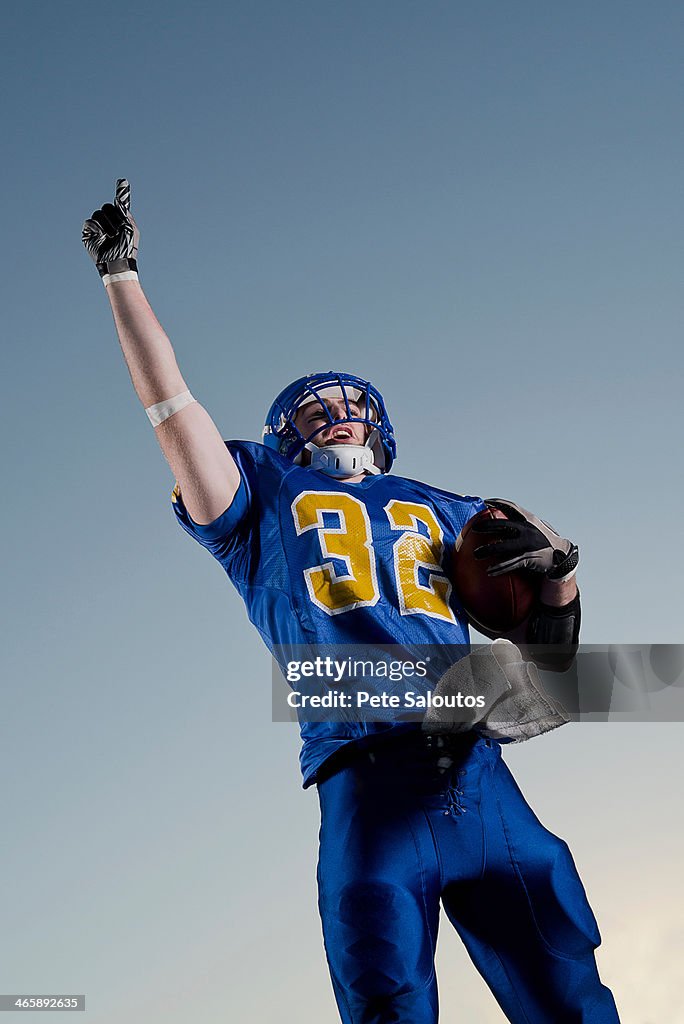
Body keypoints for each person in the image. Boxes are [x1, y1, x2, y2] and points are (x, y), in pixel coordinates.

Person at [82, 180, 620, 1023]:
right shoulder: (259, 494)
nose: (335, 414)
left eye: (346, 404)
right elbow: (172, 413)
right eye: (315, 409)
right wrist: (123, 278)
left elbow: (550, 660)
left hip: (480, 771)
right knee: (384, 988)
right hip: (362, 769)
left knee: (568, 985)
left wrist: (561, 576)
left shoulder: (446, 506)